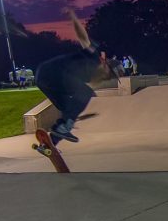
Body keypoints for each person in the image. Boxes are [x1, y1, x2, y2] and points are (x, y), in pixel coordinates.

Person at [34, 8, 114, 143]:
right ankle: (64, 127)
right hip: (52, 71)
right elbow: (82, 36)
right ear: (105, 65)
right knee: (86, 92)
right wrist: (73, 17)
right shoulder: (94, 55)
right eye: (106, 75)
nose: (103, 79)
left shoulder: (93, 77)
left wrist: (73, 115)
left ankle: (51, 142)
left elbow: (76, 103)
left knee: (68, 110)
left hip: (44, 79)